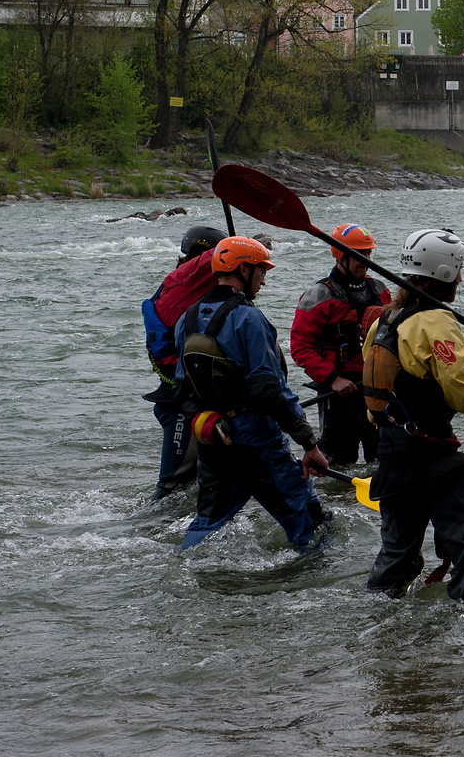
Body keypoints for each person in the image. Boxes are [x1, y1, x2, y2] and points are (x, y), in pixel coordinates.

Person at [361, 228, 464, 606]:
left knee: (396, 561)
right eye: (458, 270)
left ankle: (379, 628)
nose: (460, 277)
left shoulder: (384, 320)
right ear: (444, 273)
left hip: (391, 460)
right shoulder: (437, 321)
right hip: (431, 459)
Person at [176, 235, 331, 550]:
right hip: (257, 442)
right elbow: (269, 390)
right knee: (311, 523)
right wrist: (309, 443)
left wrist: (204, 419)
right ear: (242, 269)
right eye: (260, 271)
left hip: (212, 438)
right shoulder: (249, 318)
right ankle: (316, 581)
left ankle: (187, 571)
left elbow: (181, 388)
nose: (263, 280)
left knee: (207, 524)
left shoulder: (187, 317)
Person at [290, 223, 390, 466]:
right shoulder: (318, 295)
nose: (364, 260)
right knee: (337, 460)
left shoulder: (379, 289)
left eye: (368, 254)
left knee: (383, 458)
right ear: (339, 255)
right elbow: (300, 347)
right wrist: (332, 379)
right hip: (338, 390)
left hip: (375, 385)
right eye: (358, 254)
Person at [141, 225, 225, 499]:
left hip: (189, 394)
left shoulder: (190, 283)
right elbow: (224, 253)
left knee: (198, 485)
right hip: (180, 405)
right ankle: (145, 533)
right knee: (171, 487)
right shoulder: (186, 278)